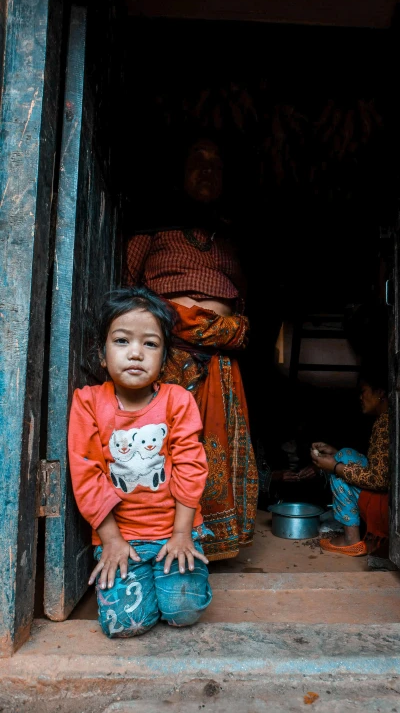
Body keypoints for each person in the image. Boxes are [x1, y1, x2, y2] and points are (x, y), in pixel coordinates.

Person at [125, 137, 258, 561]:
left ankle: (212, 544)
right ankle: (158, 542)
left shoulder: (230, 237)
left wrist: (225, 328)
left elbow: (245, 304)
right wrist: (173, 321)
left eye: (216, 165)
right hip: (165, 355)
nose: (207, 171)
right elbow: (128, 293)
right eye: (197, 162)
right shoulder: (151, 229)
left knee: (214, 448)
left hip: (220, 357)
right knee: (162, 447)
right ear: (178, 173)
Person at [68, 287, 212, 638]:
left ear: (164, 361)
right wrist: (112, 539)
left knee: (184, 612)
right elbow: (87, 474)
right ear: (102, 354)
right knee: (126, 625)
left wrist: (181, 534)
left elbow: (190, 467)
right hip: (119, 537)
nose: (136, 353)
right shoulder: (88, 402)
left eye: (150, 344)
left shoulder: (177, 400)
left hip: (174, 532)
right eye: (121, 341)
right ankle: (143, 575)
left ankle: (164, 576)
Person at [310, 365, 389, 556]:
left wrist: (335, 467)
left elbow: (379, 479)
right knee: (343, 454)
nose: (360, 398)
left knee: (338, 468)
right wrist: (336, 454)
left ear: (379, 392)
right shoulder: (386, 419)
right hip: (388, 499)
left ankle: (351, 540)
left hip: (387, 507)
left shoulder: (385, 423)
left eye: (363, 391)